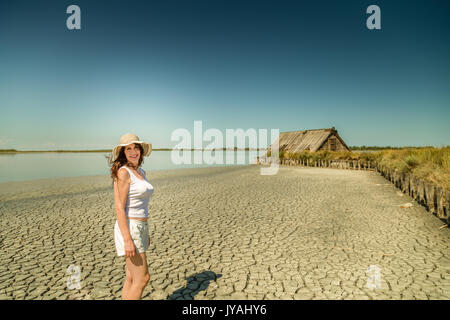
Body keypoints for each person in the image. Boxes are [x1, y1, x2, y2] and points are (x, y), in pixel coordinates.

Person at [109, 133, 154, 300]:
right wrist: (128, 239)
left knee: (131, 277)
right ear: (123, 152)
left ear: (141, 151)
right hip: (130, 228)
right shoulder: (124, 172)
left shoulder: (140, 171)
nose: (133, 151)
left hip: (140, 227)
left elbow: (141, 206)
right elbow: (119, 208)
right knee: (142, 278)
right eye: (129, 148)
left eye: (136, 147)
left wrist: (145, 233)